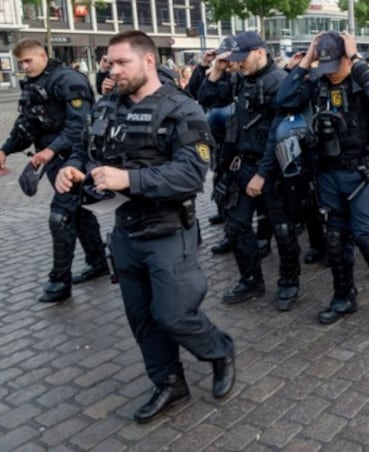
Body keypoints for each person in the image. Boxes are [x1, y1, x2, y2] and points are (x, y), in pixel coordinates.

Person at [54, 30, 235, 424]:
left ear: (148, 61)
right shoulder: (107, 107)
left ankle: (219, 351)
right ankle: (169, 382)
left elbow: (191, 174)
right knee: (142, 318)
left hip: (169, 232)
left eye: (122, 62)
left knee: (173, 315)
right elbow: (87, 151)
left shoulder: (181, 109)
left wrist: (129, 181)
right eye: (109, 62)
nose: (113, 70)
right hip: (124, 233)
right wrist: (73, 169)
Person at [277, 31, 369, 335]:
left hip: (363, 171)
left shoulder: (367, 80)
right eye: (325, 65)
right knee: (335, 241)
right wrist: (308, 60)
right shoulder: (319, 81)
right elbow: (284, 100)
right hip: (329, 173)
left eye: (336, 63)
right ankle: (344, 296)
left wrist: (357, 59)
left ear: (348, 58)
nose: (330, 71)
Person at [0, 38, 107, 303]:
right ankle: (98, 262)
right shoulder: (36, 83)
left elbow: (81, 125)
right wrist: (5, 150)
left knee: (60, 217)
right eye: (20, 62)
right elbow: (27, 124)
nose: (24, 66)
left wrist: (51, 150)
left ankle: (59, 282)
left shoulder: (69, 80)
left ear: (43, 55)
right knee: (80, 212)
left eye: (28, 60)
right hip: (53, 161)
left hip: (75, 159)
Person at [197, 31, 290, 306]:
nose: (238, 64)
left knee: (282, 230)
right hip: (242, 163)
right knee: (236, 226)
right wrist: (216, 69)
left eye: (242, 58)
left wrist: (262, 173)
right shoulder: (239, 80)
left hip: (273, 167)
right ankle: (251, 281)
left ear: (260, 52)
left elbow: (279, 135)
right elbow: (206, 98)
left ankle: (288, 282)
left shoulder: (281, 82)